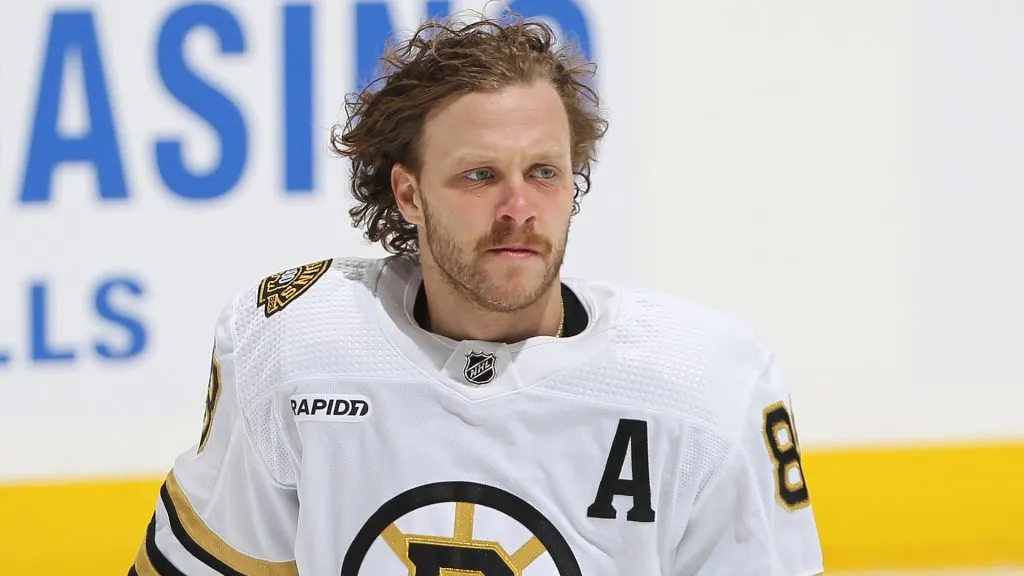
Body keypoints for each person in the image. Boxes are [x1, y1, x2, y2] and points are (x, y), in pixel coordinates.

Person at [128, 12, 824, 576]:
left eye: (544, 172)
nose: (519, 208)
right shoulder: (299, 347)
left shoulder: (703, 387)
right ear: (409, 194)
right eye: (480, 176)